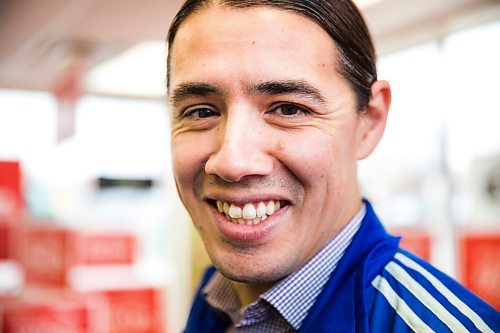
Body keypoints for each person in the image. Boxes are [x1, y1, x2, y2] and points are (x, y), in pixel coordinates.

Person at [166, 0, 500, 332]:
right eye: (201, 112)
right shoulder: (217, 299)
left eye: (288, 109)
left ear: (369, 122)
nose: (232, 162)